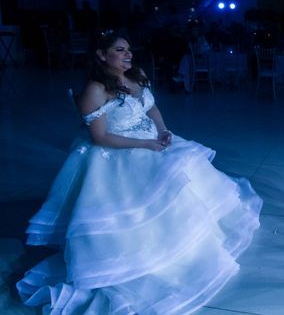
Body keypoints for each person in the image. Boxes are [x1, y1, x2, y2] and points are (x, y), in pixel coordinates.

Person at [17, 31, 262, 314]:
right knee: (147, 196)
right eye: (120, 50)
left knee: (185, 171)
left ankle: (189, 243)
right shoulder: (95, 89)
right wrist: (145, 144)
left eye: (129, 49)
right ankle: (149, 254)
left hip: (151, 139)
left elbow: (151, 107)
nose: (128, 54)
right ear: (101, 54)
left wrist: (163, 130)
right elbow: (100, 138)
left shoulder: (138, 75)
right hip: (118, 151)